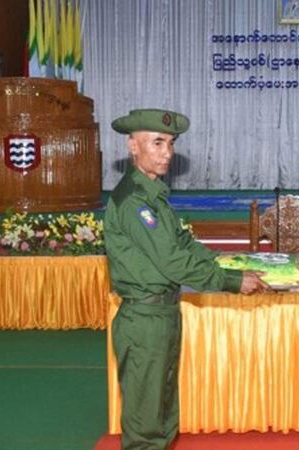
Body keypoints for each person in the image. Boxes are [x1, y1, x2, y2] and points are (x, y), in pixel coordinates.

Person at [104, 108, 268, 450]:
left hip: (162, 315)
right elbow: (173, 261)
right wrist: (232, 282)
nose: (167, 152)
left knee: (163, 414)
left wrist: (228, 262)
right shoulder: (135, 201)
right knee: (145, 424)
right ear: (133, 147)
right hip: (144, 319)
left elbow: (182, 243)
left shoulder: (154, 194)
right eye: (157, 142)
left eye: (171, 143)